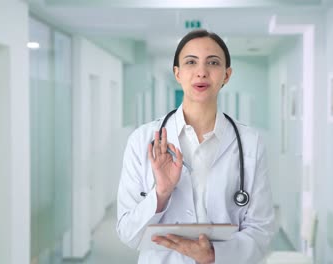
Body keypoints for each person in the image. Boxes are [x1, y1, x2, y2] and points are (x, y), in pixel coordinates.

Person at [117, 29, 274, 264]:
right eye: (191, 62)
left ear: (226, 75)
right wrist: (161, 193)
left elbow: (261, 231)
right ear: (177, 74)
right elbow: (128, 233)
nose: (201, 72)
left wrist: (215, 255)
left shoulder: (250, 142)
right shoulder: (142, 140)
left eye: (213, 62)